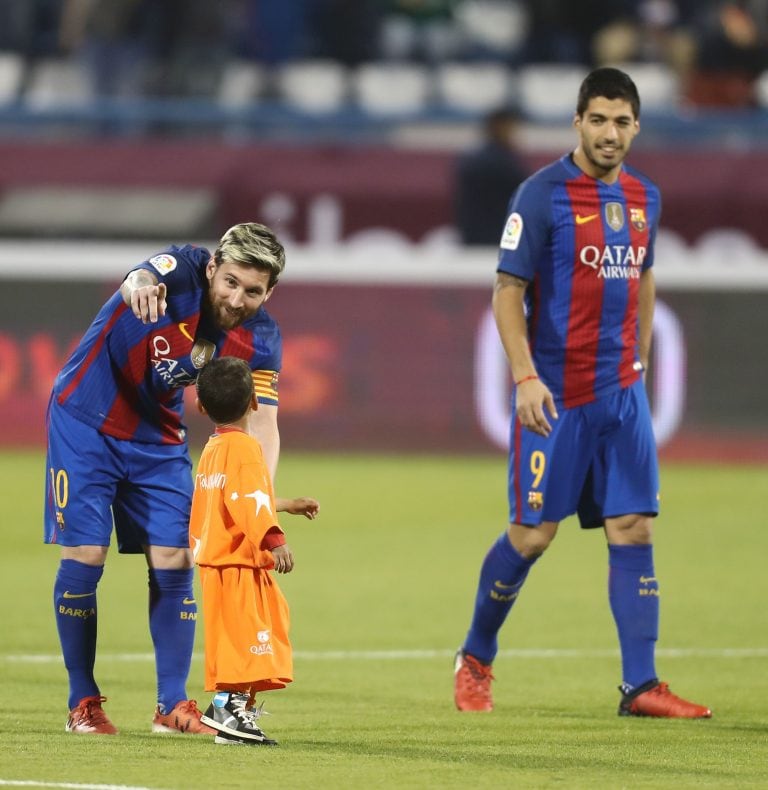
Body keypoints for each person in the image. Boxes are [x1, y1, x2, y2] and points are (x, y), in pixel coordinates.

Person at [454, 68, 712, 719]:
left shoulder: (645, 197)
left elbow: (645, 277)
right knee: (533, 535)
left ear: (636, 127)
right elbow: (507, 290)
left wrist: (641, 356)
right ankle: (476, 657)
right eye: (598, 119)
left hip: (621, 396)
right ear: (577, 121)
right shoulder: (541, 195)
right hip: (556, 398)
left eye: (622, 121)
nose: (609, 132)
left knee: (633, 526)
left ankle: (641, 685)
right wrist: (523, 376)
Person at [45, 222, 315, 735]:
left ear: (270, 292)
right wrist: (140, 286)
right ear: (213, 268)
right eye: (231, 282)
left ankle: (171, 705)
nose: (237, 299)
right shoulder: (181, 270)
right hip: (85, 417)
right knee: (85, 553)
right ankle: (83, 700)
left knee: (176, 555)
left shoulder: (260, 338)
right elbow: (141, 276)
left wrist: (255, 501)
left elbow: (263, 425)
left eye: (253, 290)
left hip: (157, 433)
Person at [191, 356, 318, 746]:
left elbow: (237, 499)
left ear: (200, 406)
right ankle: (227, 707)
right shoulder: (246, 449)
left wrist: (285, 503)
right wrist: (274, 539)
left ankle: (235, 716)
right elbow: (248, 502)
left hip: (217, 563)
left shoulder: (214, 449)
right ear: (254, 403)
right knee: (250, 637)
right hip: (239, 562)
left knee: (243, 634)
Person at [455, 106, 528, 247]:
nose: (515, 133)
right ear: (498, 127)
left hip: (482, 237)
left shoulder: (478, 158)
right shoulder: (495, 162)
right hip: (490, 239)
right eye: (511, 127)